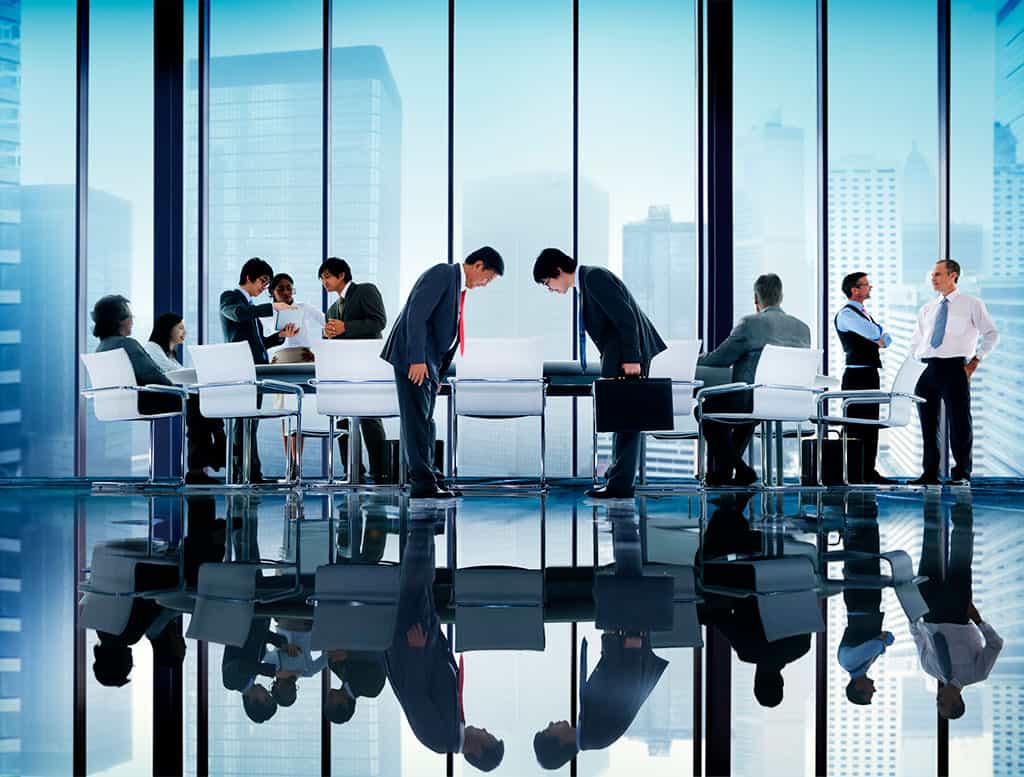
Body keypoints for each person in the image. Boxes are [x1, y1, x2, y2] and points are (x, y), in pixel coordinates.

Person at [533, 248, 666, 499]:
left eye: (547, 283)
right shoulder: (588, 282)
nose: (550, 289)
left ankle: (620, 484)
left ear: (558, 271)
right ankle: (617, 479)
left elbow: (625, 318)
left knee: (627, 421)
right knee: (622, 419)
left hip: (628, 358)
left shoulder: (594, 278)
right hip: (621, 357)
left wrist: (631, 358)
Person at [381, 248, 504, 499]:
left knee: (425, 419)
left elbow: (445, 335)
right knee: (416, 419)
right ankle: (422, 484)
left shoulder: (457, 287)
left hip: (430, 363)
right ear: (479, 265)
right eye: (488, 278)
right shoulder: (443, 273)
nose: (485, 284)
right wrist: (416, 359)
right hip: (414, 358)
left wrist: (438, 374)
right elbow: (416, 314)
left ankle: (431, 476)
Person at [385, 519, 504, 771]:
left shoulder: (439, 740)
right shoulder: (454, 728)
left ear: (479, 750)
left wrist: (417, 650)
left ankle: (421, 517)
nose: (484, 729)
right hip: (424, 637)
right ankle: (424, 521)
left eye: (488, 736)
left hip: (412, 644)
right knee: (422, 578)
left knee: (415, 580)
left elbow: (415, 698)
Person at [696, 274, 811, 486]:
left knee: (706, 411)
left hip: (753, 400)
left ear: (756, 299)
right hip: (790, 400)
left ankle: (740, 469)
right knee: (747, 416)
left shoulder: (750, 323)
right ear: (781, 296)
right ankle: (724, 472)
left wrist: (695, 356)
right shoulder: (803, 328)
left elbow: (721, 359)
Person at [92, 296, 221, 485]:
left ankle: (210, 457)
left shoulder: (101, 347)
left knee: (195, 403)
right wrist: (179, 391)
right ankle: (201, 467)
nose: (133, 320)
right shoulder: (127, 344)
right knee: (197, 403)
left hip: (115, 403)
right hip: (142, 401)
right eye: (130, 316)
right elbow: (153, 375)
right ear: (121, 320)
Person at [910, 491, 1002, 720]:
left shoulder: (930, 669)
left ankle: (930, 498)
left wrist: (914, 614)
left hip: (929, 609)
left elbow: (919, 639)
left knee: (929, 551)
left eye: (938, 705)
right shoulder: (977, 674)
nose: (938, 701)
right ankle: (963, 505)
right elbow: (995, 644)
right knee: (961, 556)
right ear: (957, 702)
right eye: (943, 705)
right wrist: (978, 619)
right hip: (957, 611)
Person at [908, 259, 999, 485]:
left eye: (938, 274)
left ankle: (961, 473)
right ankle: (930, 473)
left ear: (953, 276)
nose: (933, 278)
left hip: (954, 367)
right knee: (928, 425)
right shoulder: (927, 309)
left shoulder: (971, 304)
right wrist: (913, 367)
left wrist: (975, 361)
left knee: (959, 422)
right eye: (932, 275)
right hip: (926, 369)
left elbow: (992, 333)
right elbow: (917, 341)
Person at [219, 257, 299, 483]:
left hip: (256, 370)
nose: (265, 287)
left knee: (250, 423)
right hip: (243, 370)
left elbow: (259, 343)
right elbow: (236, 314)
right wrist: (273, 306)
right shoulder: (231, 298)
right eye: (263, 281)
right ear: (248, 278)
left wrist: (280, 337)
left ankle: (252, 473)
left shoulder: (250, 307)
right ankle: (242, 473)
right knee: (243, 422)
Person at [319, 257, 389, 482]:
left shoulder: (366, 291)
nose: (324, 282)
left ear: (341, 275)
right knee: (342, 417)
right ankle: (352, 470)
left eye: (327, 276)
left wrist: (345, 327)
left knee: (370, 417)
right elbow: (333, 337)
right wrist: (327, 334)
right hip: (342, 369)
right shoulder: (331, 309)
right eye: (322, 278)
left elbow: (379, 322)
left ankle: (381, 470)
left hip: (367, 365)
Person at [145, 312, 227, 484]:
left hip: (174, 396)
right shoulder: (153, 347)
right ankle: (220, 449)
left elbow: (181, 377)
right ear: (168, 329)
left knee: (200, 411)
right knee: (199, 406)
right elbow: (173, 374)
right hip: (158, 398)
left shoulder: (168, 353)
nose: (184, 332)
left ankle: (201, 468)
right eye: (180, 327)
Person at [835, 272, 894, 484]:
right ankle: (853, 472)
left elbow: (886, 338)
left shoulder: (862, 313)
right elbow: (875, 332)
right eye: (866, 285)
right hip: (856, 375)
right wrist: (879, 334)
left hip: (869, 373)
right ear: (855, 290)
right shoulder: (847, 315)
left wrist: (880, 335)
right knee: (856, 424)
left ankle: (868, 470)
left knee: (870, 424)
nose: (871, 288)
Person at [837, 495, 894, 705]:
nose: (875, 689)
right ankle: (866, 505)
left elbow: (879, 644)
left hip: (859, 600)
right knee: (870, 550)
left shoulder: (848, 663)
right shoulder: (863, 666)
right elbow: (885, 640)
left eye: (870, 692)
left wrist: (881, 641)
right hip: (868, 601)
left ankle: (856, 503)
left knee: (859, 551)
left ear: (858, 688)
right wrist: (881, 641)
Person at [222, 617, 300, 724]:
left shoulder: (231, 683)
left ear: (252, 701)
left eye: (266, 698)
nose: (267, 692)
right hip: (260, 614)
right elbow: (261, 634)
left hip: (246, 614)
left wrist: (274, 672)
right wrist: (283, 644)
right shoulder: (253, 673)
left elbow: (240, 666)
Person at [266, 272, 326, 361]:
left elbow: (327, 323)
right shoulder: (266, 313)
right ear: (272, 291)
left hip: (304, 357)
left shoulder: (304, 307)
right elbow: (263, 343)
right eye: (281, 289)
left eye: (289, 288)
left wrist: (318, 353)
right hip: (279, 359)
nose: (286, 292)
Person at [324, 649, 387, 725]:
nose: (328, 698)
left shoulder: (335, 667)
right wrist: (348, 654)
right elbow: (380, 655)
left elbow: (330, 657)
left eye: (327, 703)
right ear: (345, 704)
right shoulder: (372, 689)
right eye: (331, 704)